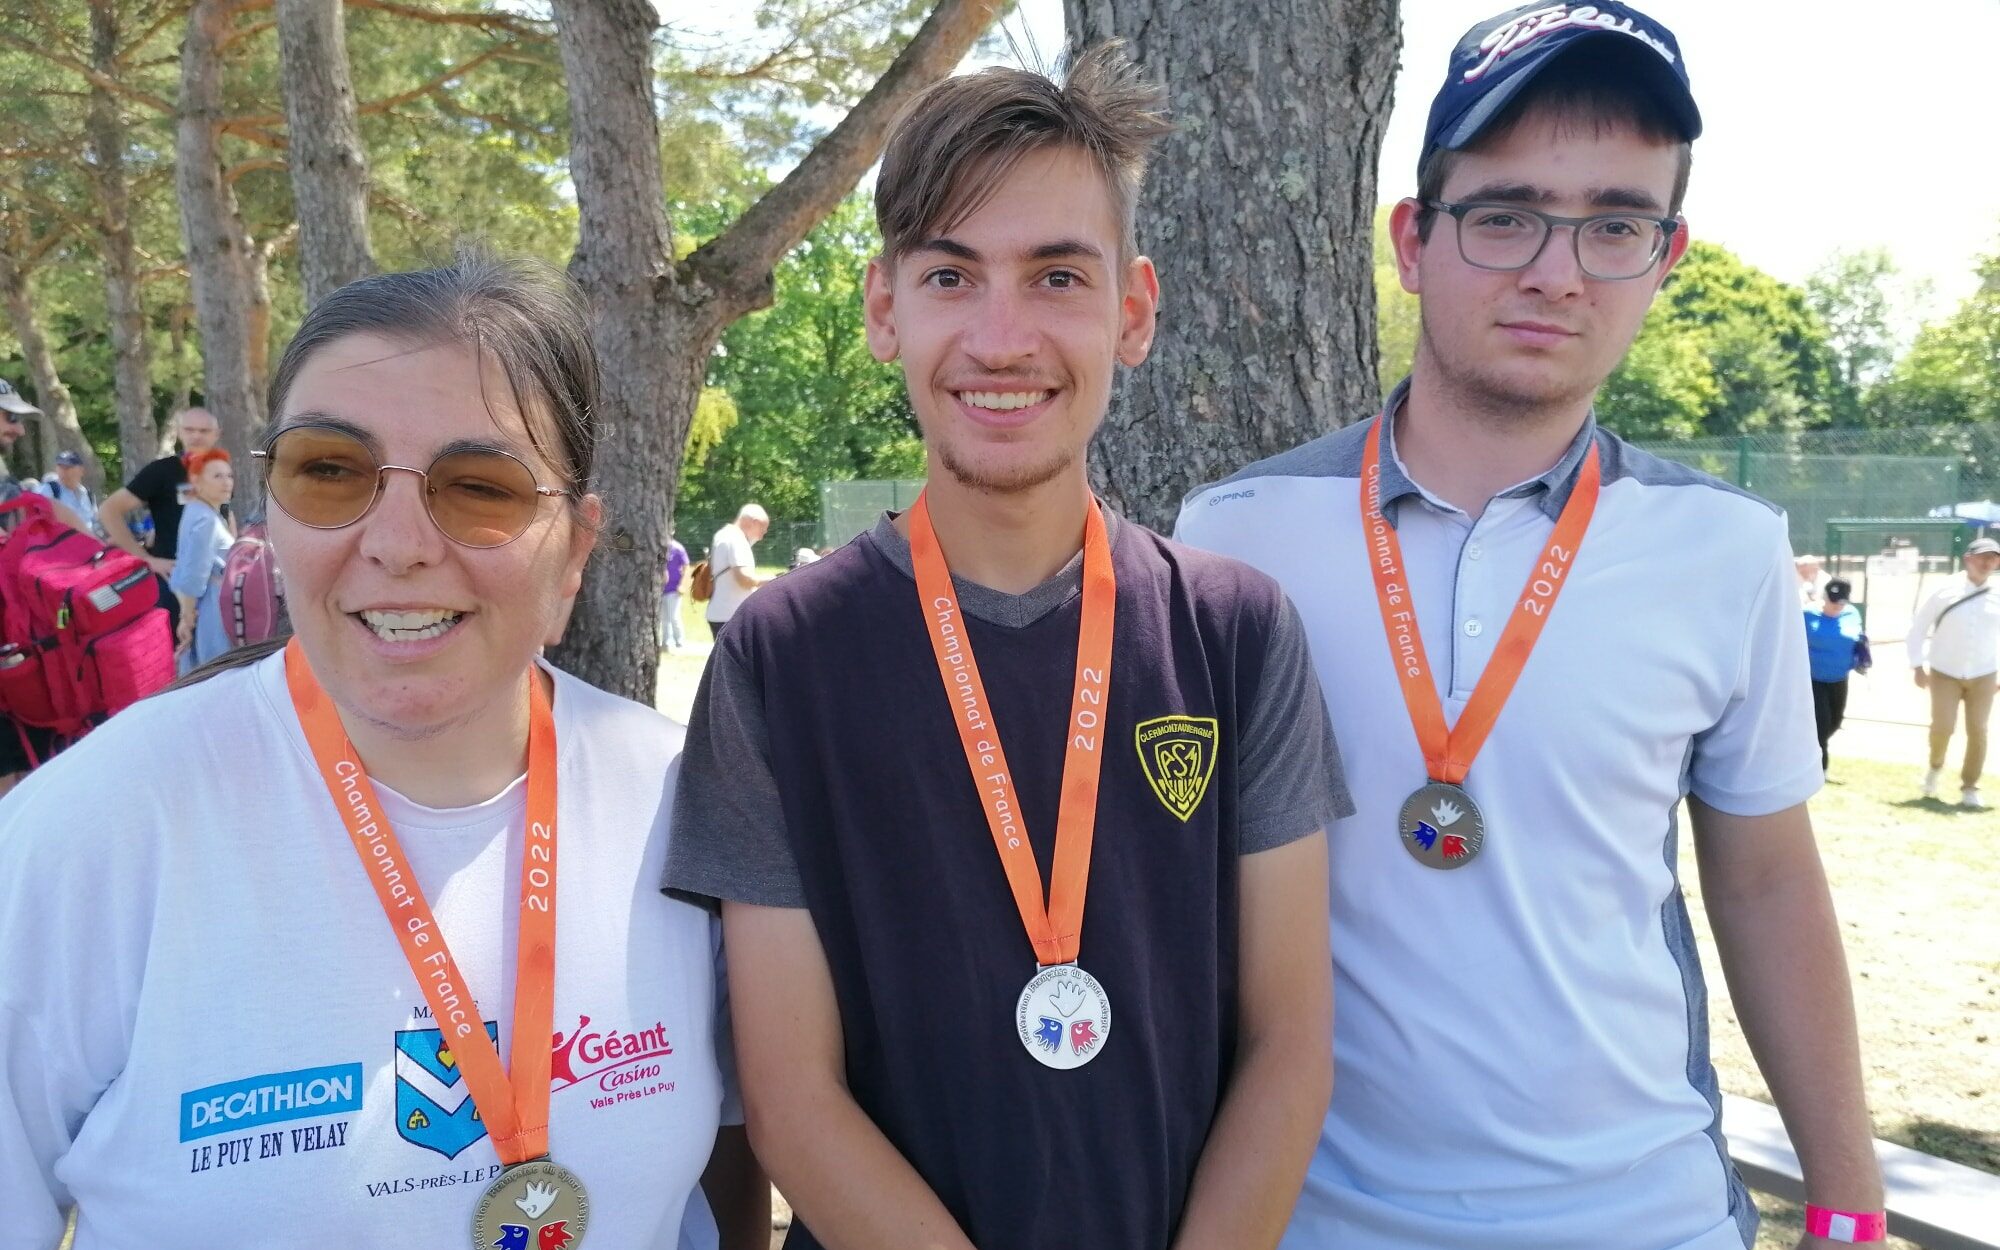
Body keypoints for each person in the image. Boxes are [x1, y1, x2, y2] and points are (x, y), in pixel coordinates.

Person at [1176, 7, 1885, 1249]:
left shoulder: (1724, 547)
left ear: (1664, 257)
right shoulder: (1237, 533)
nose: (1555, 272)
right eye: (1503, 213)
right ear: (1412, 239)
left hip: (1641, 1213)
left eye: (1613, 223)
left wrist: (1844, 1195)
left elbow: (1765, 876)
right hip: (1315, 1216)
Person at [665, 46, 1346, 1250]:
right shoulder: (778, 658)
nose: (999, 335)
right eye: (949, 274)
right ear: (884, 309)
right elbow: (791, 1096)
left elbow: (1287, 1040)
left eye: (1054, 277)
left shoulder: (1234, 631)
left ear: (1131, 311)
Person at [0, 255, 765, 1249]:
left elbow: (729, 1171)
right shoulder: (83, 835)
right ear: (270, 511)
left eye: (479, 485)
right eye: (330, 471)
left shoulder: (678, 799)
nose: (397, 540)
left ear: (573, 550)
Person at [98, 406, 224, 636]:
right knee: (178, 662)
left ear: (216, 434)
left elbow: (224, 517)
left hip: (214, 582)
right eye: (190, 429)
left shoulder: (219, 472)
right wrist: (146, 559)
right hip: (173, 581)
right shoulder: (162, 471)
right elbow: (109, 510)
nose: (196, 436)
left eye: (204, 431)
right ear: (179, 432)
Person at [1907, 536, 1999, 809]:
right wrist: (1917, 665)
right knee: (1942, 727)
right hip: (1944, 670)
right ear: (1968, 558)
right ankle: (1935, 767)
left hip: (1985, 672)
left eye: (1993, 558)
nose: (1987, 563)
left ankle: (1970, 786)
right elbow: (1918, 628)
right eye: (1983, 557)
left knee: (1978, 730)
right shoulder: (1944, 589)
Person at [168, 448, 238, 670]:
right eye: (217, 476)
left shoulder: (196, 510)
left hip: (208, 599)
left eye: (229, 476)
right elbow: (193, 575)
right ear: (196, 481)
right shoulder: (206, 520)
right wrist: (188, 616)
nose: (226, 482)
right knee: (217, 666)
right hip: (212, 603)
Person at [1806, 579, 1868, 775]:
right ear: (1824, 597)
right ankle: (1820, 767)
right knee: (1821, 722)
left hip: (1839, 678)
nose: (1835, 606)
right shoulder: (1806, 615)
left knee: (1836, 721)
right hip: (1814, 679)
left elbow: (1857, 638)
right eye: (1832, 601)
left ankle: (1813, 749)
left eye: (1840, 603)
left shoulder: (1852, 614)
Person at [704, 503, 769, 640]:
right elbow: (744, 580)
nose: (761, 537)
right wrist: (774, 580)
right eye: (762, 530)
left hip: (721, 613)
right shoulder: (736, 539)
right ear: (754, 522)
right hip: (731, 615)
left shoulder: (723, 534)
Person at [36, 450, 103, 536]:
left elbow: (95, 522)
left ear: (81, 470)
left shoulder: (88, 494)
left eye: (68, 467)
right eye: (60, 467)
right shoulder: (48, 490)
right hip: (60, 543)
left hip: (86, 543)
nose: (63, 471)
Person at [662, 526, 689, 650]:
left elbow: (686, 567)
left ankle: (679, 641)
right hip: (662, 589)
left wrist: (682, 585)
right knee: (664, 617)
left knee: (674, 616)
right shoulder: (659, 547)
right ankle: (666, 642)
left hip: (674, 589)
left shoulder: (678, 548)